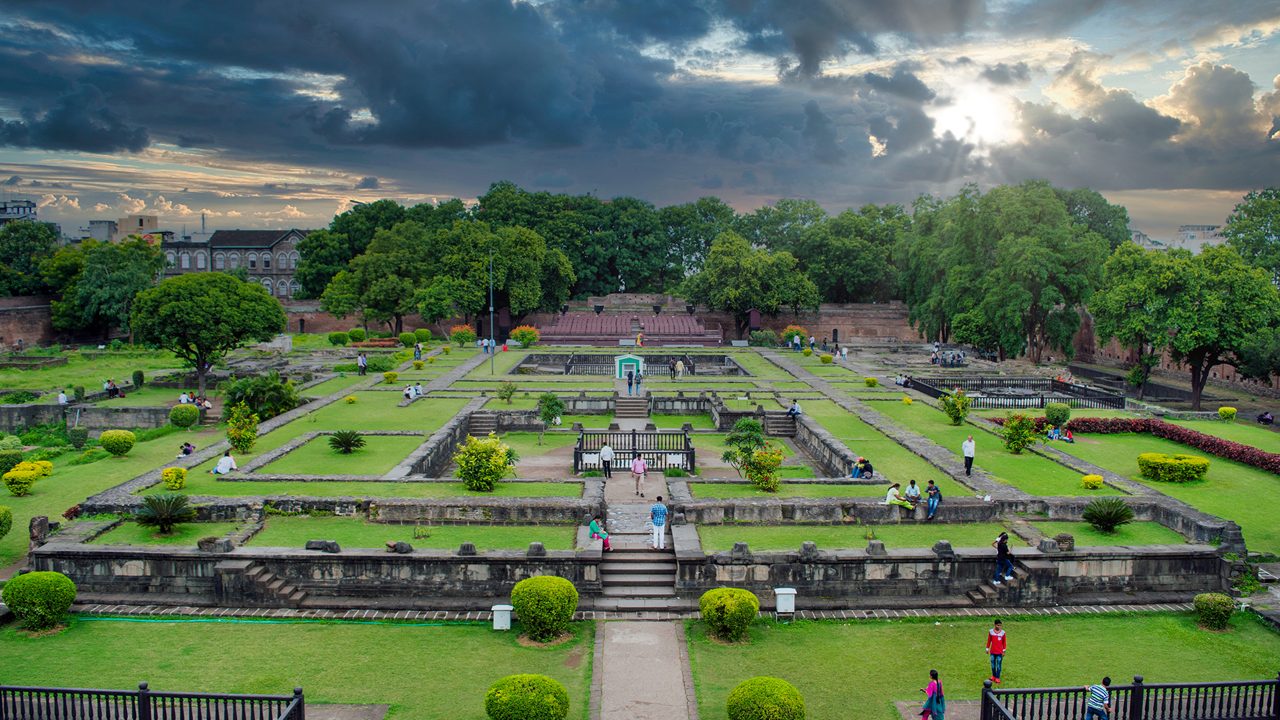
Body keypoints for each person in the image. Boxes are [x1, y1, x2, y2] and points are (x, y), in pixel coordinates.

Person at [986, 619, 1007, 684]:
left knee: (998, 665)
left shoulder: (1003, 633)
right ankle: (993, 676)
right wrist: (987, 648)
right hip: (992, 652)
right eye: (998, 625)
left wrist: (1004, 651)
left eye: (1000, 625)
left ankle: (997, 677)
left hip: (999, 652)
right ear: (995, 625)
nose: (999, 627)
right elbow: (989, 640)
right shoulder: (991, 632)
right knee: (993, 665)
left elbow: (1004, 642)